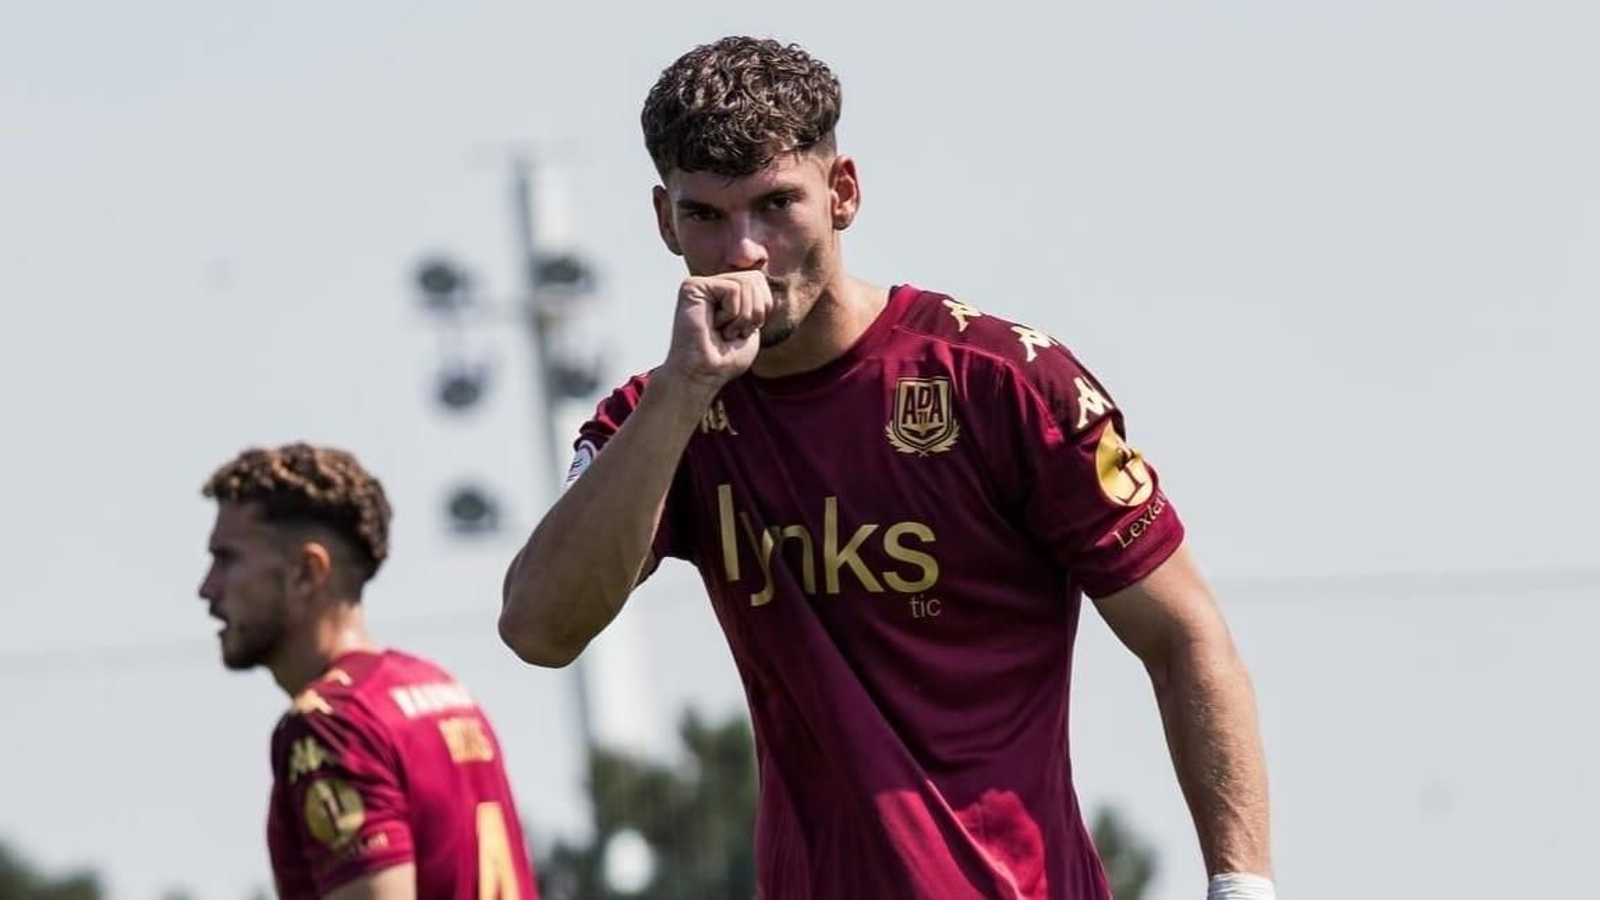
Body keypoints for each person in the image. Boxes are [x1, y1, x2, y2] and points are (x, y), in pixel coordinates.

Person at [499, 35, 1273, 900]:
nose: (744, 252)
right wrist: (682, 392)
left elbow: (1186, 636)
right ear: (662, 220)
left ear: (844, 193)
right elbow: (539, 629)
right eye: (705, 217)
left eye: (776, 205)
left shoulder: (1002, 381)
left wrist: (1241, 887)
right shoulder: (661, 419)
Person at [200, 443, 539, 900]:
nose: (207, 588)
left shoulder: (330, 725)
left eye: (227, 559)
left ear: (306, 571)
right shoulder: (439, 688)